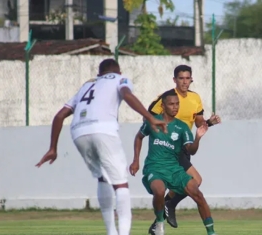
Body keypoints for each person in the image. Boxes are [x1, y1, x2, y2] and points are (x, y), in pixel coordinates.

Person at [35, 59, 167, 235]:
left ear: (99, 74)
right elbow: (127, 95)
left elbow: (59, 116)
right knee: (121, 184)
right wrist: (150, 117)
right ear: (119, 72)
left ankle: (111, 232)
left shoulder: (86, 86)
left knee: (103, 178)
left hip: (78, 132)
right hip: (103, 129)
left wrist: (53, 148)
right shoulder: (121, 79)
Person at [129, 90, 217, 235]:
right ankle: (159, 223)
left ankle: (211, 232)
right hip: (154, 167)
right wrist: (135, 161)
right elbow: (139, 137)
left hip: (174, 169)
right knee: (159, 190)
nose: (175, 107)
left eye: (177, 104)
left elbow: (191, 150)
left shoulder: (182, 127)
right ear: (163, 106)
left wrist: (198, 138)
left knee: (197, 193)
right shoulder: (153, 121)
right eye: (171, 104)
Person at [147, 64, 221, 233]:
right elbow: (150, 115)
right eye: (181, 78)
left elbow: (198, 122)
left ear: (191, 79)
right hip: (169, 149)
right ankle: (168, 207)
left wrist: (209, 122)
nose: (185, 82)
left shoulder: (195, 98)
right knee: (195, 182)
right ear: (175, 80)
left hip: (185, 147)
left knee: (195, 183)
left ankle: (164, 212)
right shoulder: (167, 98)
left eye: (188, 78)